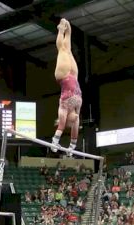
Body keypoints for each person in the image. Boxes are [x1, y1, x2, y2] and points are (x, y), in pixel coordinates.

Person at [51, 18, 82, 156]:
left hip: (63, 76)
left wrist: (55, 141)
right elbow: (75, 131)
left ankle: (60, 30)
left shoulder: (63, 111)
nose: (76, 119)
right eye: (76, 118)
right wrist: (72, 147)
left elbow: (62, 126)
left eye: (74, 119)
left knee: (62, 50)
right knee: (68, 51)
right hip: (74, 77)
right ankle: (68, 31)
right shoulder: (76, 112)